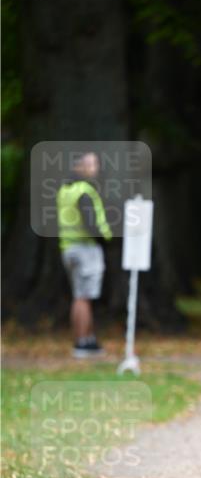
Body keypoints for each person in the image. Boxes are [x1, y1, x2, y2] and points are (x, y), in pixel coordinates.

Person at [57, 151, 114, 358]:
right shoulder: (84, 190)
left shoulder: (65, 190)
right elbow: (91, 223)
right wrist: (105, 237)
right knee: (83, 297)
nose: (95, 168)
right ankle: (82, 342)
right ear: (79, 167)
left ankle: (87, 339)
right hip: (85, 248)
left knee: (80, 296)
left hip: (68, 248)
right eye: (91, 164)